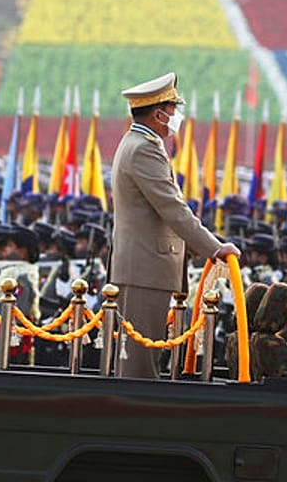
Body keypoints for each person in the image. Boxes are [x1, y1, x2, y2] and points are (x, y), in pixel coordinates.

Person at [109, 72, 239, 378]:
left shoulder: (136, 142)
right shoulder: (144, 148)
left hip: (141, 266)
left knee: (139, 359)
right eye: (172, 110)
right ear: (158, 114)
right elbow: (174, 210)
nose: (175, 117)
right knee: (140, 366)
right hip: (145, 268)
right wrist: (215, 248)